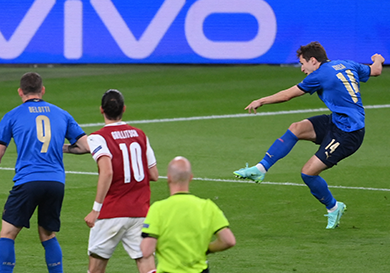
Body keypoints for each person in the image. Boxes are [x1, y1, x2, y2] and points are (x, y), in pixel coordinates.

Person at [234, 42, 384, 229]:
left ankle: (334, 207)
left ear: (313, 60)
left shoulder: (320, 75)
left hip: (349, 133)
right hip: (337, 121)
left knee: (308, 173)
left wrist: (261, 100)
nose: (302, 69)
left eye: (303, 63)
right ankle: (261, 169)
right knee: (296, 128)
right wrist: (378, 59)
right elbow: (376, 71)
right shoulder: (346, 64)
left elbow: (288, 95)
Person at [0, 72, 87, 273]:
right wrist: (63, 147)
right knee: (48, 234)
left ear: (20, 92)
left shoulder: (12, 116)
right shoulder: (62, 114)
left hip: (28, 181)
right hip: (56, 183)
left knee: (8, 233)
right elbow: (84, 146)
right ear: (42, 90)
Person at [64, 89, 158, 273]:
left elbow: (106, 171)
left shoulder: (98, 137)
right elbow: (154, 174)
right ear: (124, 109)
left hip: (111, 212)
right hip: (140, 212)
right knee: (146, 265)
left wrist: (95, 210)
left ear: (101, 110)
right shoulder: (140, 135)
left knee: (96, 268)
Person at [141, 156, 236, 273]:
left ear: (169, 178)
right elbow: (229, 241)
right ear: (191, 178)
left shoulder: (158, 209)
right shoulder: (207, 207)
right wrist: (207, 249)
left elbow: (146, 251)